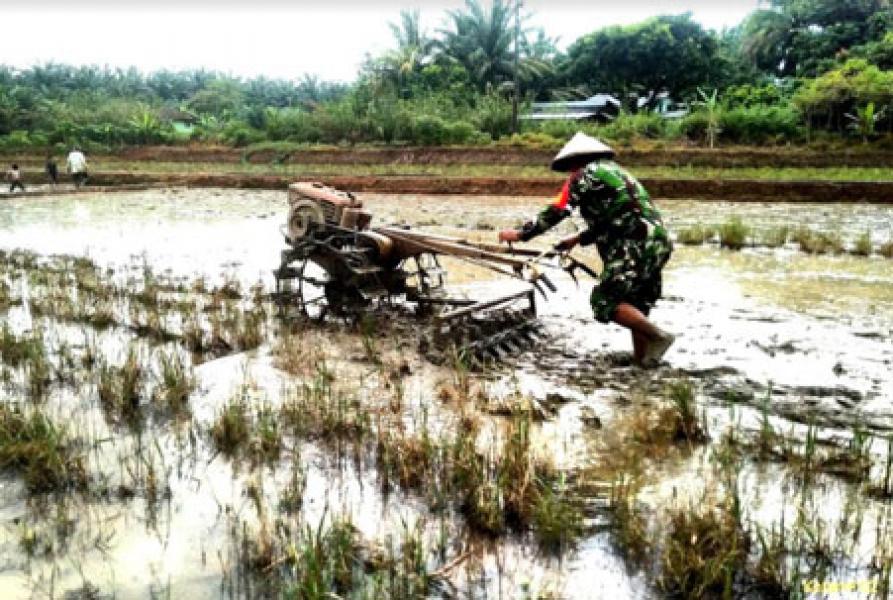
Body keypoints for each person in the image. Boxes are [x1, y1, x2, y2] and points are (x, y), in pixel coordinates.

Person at [498, 132, 675, 368]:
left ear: (575, 161)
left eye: (570, 167)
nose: (570, 172)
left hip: (631, 242)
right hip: (657, 242)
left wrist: (522, 235)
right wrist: (578, 238)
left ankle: (658, 337)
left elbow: (558, 209)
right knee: (636, 302)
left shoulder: (584, 175)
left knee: (605, 301)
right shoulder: (617, 173)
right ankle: (642, 360)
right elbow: (618, 214)